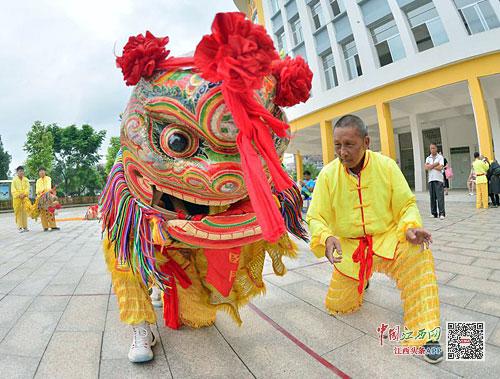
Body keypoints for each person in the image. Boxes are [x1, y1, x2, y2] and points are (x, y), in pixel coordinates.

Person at [101, 13, 311, 364]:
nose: (219, 172)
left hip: (192, 233)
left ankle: (167, 285)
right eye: (179, 140)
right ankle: (140, 323)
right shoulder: (130, 174)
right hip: (147, 213)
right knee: (122, 254)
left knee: (198, 316)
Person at [307, 115, 442, 364]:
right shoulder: (327, 175)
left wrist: (410, 227)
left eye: (349, 144)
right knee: (338, 306)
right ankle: (362, 279)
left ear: (366, 142)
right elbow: (315, 216)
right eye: (337, 145)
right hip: (351, 249)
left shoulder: (387, 166)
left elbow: (406, 204)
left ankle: (425, 333)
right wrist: (326, 237)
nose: (342, 152)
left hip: (387, 240)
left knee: (419, 254)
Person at [425, 144, 445, 219]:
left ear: (436, 148)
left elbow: (440, 167)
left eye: (433, 148)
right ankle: (433, 213)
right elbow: (426, 168)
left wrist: (431, 166)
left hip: (438, 179)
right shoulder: (428, 158)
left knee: (440, 197)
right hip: (431, 179)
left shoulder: (440, 157)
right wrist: (435, 164)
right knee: (432, 197)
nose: (432, 150)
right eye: (431, 148)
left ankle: (442, 213)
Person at [11, 166, 31, 232]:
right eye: (20, 171)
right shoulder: (14, 180)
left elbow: (28, 188)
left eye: (22, 171)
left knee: (25, 212)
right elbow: (13, 190)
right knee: (18, 212)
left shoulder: (26, 180)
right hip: (17, 199)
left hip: (25, 198)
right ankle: (19, 227)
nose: (21, 172)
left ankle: (25, 227)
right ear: (17, 172)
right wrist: (19, 195)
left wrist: (24, 194)